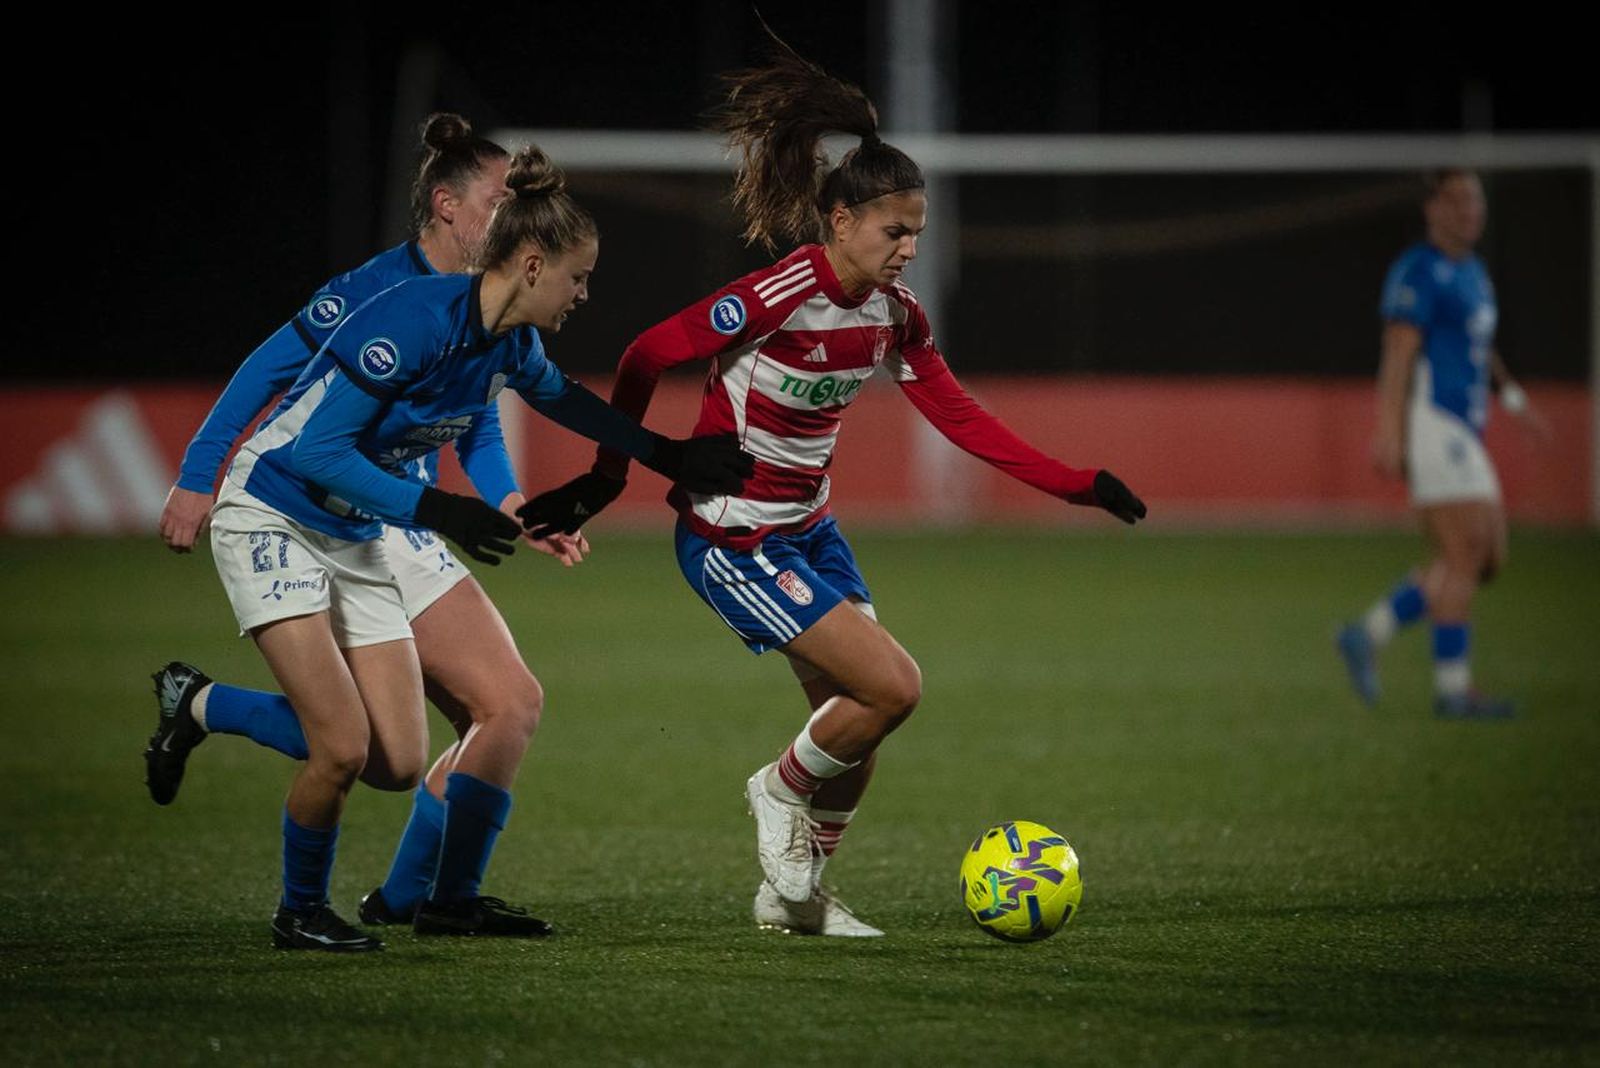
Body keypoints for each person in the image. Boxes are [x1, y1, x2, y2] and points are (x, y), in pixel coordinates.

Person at [517, 44, 1146, 937]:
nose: (910, 247)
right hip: (732, 540)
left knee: (858, 723)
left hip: (809, 532)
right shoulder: (781, 294)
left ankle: (793, 898)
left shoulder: (893, 319)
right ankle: (773, 790)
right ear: (841, 220)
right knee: (894, 687)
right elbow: (646, 355)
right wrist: (611, 476)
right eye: (895, 230)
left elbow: (961, 418)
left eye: (918, 231)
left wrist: (1077, 486)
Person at [176, 141, 751, 951]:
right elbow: (310, 453)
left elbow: (567, 406)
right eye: (578, 277)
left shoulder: (508, 344)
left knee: (399, 760)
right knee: (341, 743)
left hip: (359, 524)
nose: (586, 294)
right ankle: (299, 911)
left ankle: (203, 707)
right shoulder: (410, 317)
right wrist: (443, 509)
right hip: (274, 513)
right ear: (528, 264)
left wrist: (670, 456)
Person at [146, 114, 587, 945]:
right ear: (447, 206)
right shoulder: (379, 289)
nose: (516, 211)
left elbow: (475, 423)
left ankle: (423, 895)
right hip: (342, 504)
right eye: (499, 198)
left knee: (503, 706)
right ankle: (379, 894)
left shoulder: (493, 308)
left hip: (404, 520)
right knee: (354, 744)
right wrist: (200, 475)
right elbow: (267, 369)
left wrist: (509, 505)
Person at [1337, 169, 1548, 720]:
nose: (1468, 211)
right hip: (1434, 425)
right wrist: (1388, 429)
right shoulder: (1419, 271)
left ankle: (1367, 633)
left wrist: (1516, 401)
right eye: (1456, 201)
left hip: (1466, 432)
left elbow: (1483, 344)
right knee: (1465, 553)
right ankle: (1453, 691)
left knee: (1486, 556)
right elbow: (1400, 353)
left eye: (1475, 201)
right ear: (1432, 209)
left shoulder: (1475, 273)